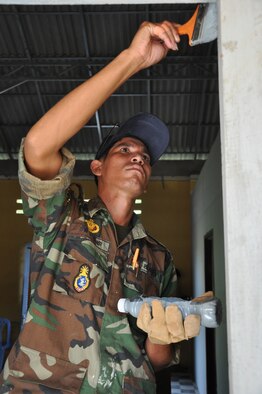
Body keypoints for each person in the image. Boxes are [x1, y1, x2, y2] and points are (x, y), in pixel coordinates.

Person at [0, 20, 201, 393]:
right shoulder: (64, 217)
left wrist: (163, 332)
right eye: (125, 149)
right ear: (97, 166)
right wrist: (133, 59)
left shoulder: (159, 258)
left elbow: (156, 361)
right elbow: (38, 146)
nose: (138, 158)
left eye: (145, 156)